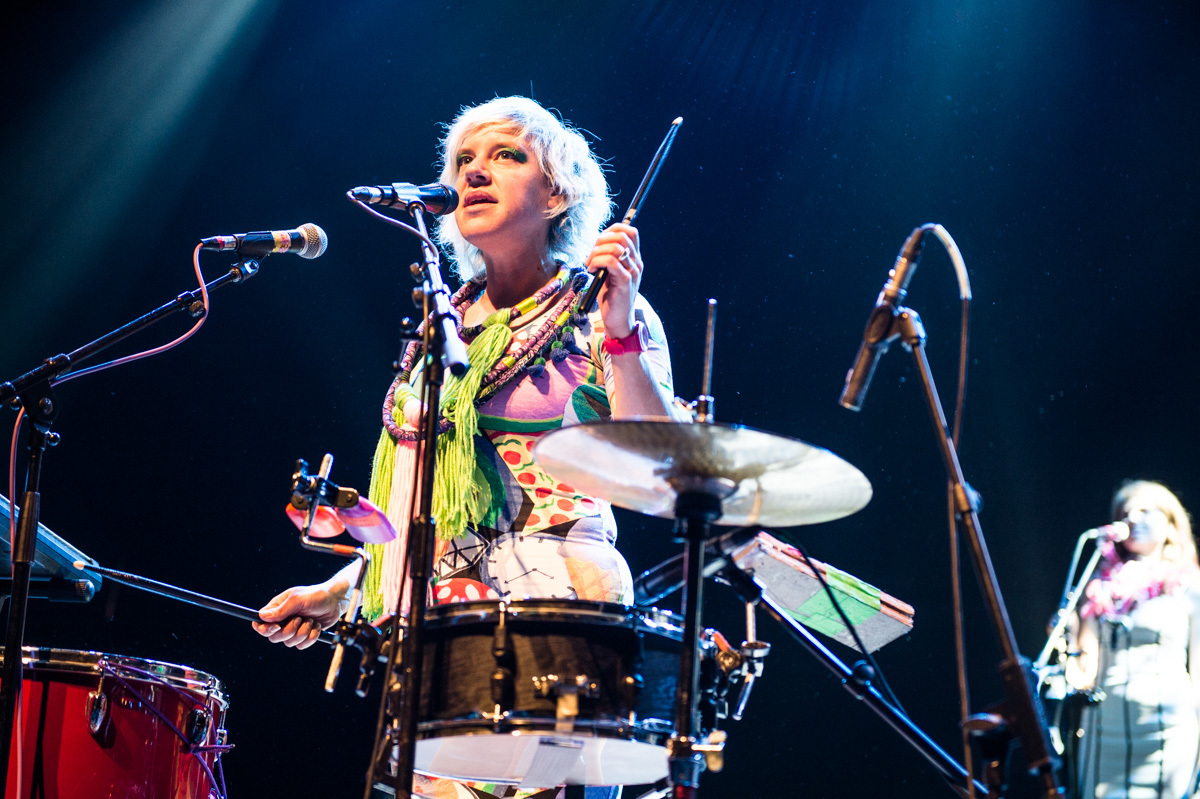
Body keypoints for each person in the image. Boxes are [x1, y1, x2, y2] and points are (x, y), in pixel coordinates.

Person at [252, 96, 681, 799]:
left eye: (507, 155)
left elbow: (662, 464)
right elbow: (422, 509)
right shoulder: (439, 326)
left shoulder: (598, 306)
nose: (475, 171)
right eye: (462, 161)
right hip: (445, 628)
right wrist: (342, 591)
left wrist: (624, 324)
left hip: (564, 603)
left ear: (559, 193)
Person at [1063, 480, 1200, 799]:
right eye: (1125, 513)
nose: (1132, 519)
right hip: (1103, 727)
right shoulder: (1099, 587)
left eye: (1145, 510)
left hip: (1167, 731)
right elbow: (1083, 671)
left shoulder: (1189, 585)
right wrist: (1071, 632)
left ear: (1169, 523)